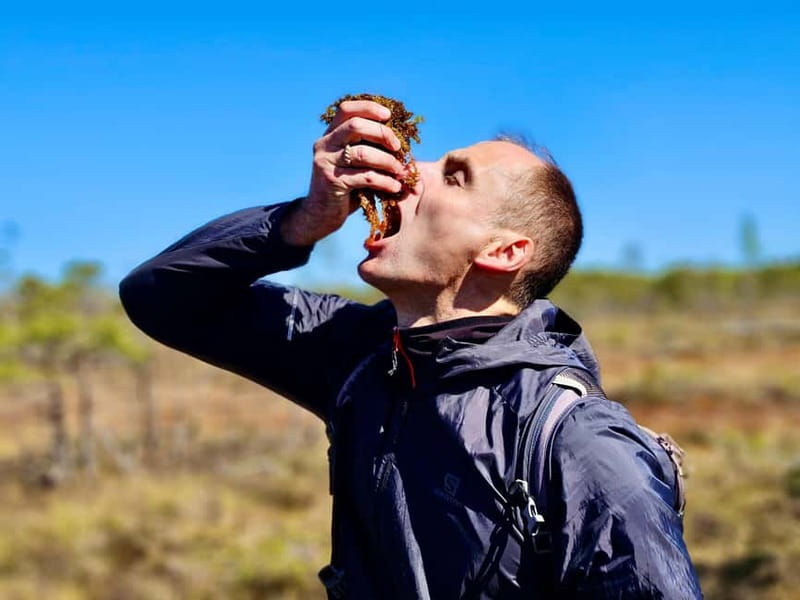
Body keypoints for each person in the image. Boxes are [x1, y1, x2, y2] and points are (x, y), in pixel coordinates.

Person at [120, 99, 702, 599]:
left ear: (503, 252)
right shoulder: (357, 358)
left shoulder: (580, 443)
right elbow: (161, 296)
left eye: (453, 176)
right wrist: (300, 222)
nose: (405, 172)